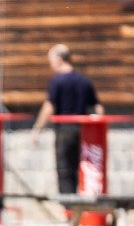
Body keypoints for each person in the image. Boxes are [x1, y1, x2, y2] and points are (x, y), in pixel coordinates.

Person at [31, 44, 105, 194]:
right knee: (85, 167)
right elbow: (98, 107)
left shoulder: (57, 81)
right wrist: (99, 128)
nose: (51, 66)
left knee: (65, 170)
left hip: (64, 130)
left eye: (51, 61)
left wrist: (37, 128)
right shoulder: (84, 81)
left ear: (58, 59)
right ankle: (83, 204)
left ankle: (69, 210)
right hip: (84, 131)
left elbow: (49, 106)